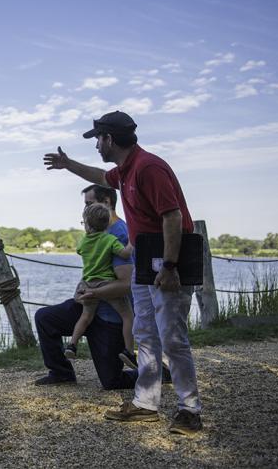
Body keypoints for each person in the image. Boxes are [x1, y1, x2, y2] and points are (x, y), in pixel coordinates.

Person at [44, 110, 202, 436]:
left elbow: (172, 217)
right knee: (145, 332)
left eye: (98, 139)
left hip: (167, 260)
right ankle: (146, 403)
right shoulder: (125, 171)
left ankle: (190, 410)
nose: (97, 145)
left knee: (172, 337)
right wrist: (68, 164)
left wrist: (171, 266)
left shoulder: (148, 168)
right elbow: (101, 177)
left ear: (109, 139)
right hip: (146, 258)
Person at [33, 185, 137, 390]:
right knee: (44, 317)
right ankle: (61, 372)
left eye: (89, 204)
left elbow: (125, 285)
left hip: (110, 316)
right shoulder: (94, 235)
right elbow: (93, 269)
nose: (85, 210)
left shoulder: (119, 234)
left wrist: (93, 292)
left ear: (107, 202)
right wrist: (80, 292)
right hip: (89, 304)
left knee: (112, 382)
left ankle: (155, 371)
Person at [64, 202, 135, 368]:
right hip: (106, 283)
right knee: (127, 316)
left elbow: (79, 250)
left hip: (88, 283)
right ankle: (129, 351)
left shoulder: (83, 242)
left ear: (87, 225)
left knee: (86, 316)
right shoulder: (110, 239)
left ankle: (72, 345)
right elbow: (124, 253)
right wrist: (131, 242)